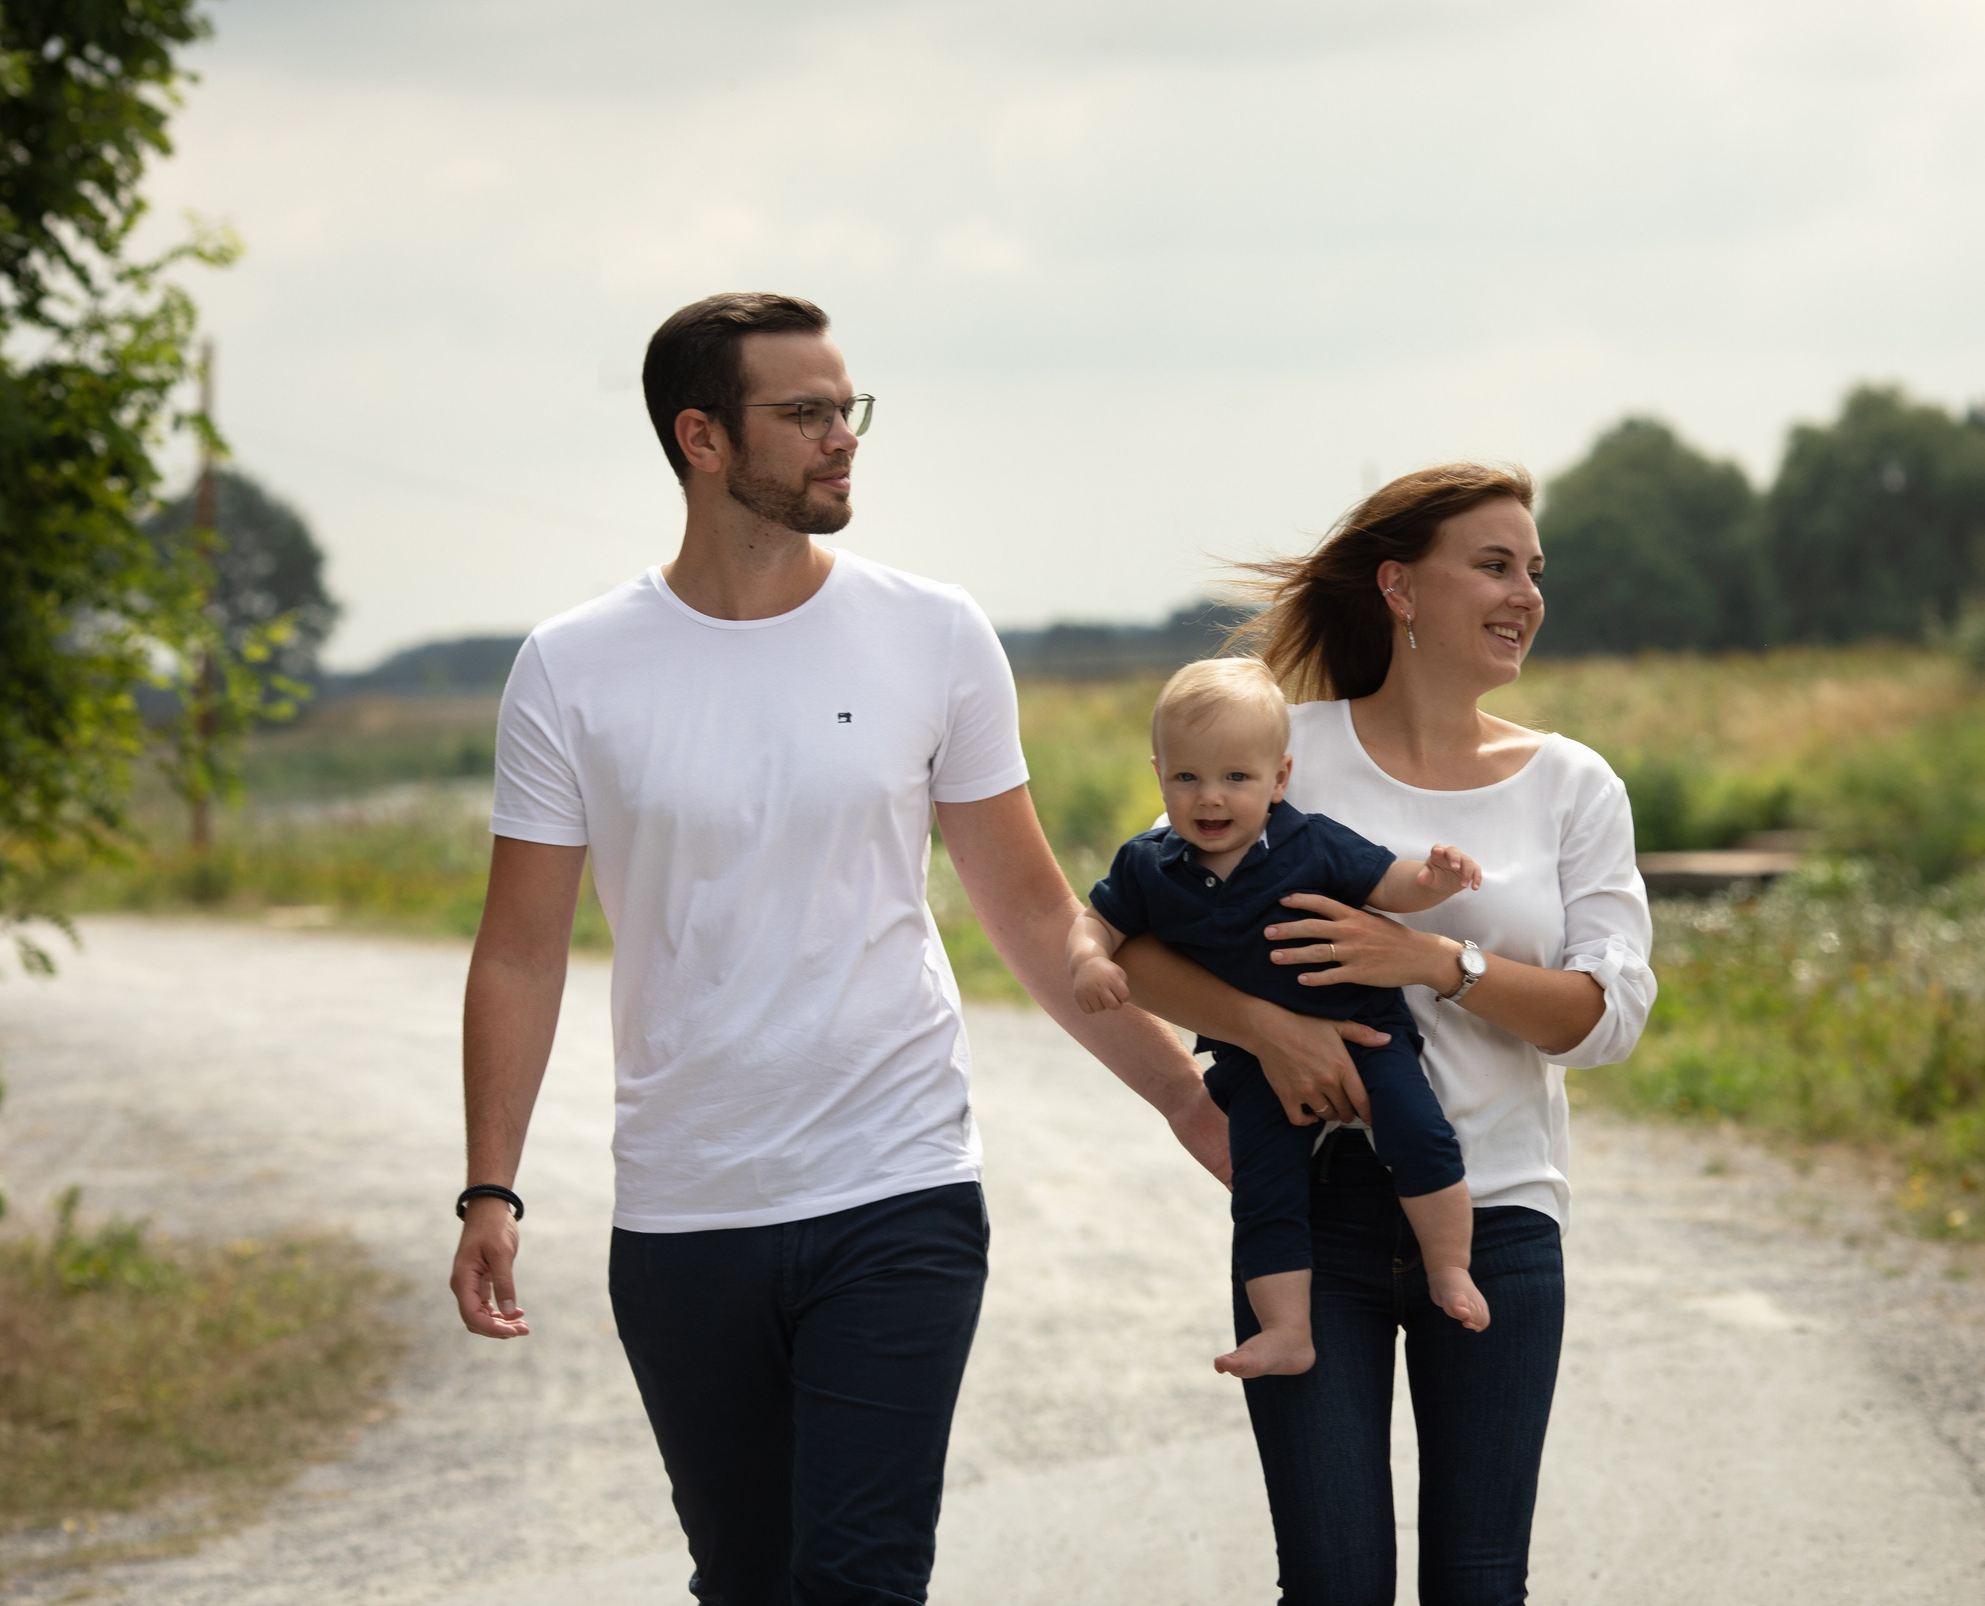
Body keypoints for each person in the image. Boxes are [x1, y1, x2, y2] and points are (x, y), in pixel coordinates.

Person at [445, 292, 1225, 1606]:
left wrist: (1188, 1094)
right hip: (687, 1205)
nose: (841, 438)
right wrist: (490, 1187)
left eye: (846, 408)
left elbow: (1034, 913)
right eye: (803, 413)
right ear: (701, 436)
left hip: (898, 1180)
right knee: (747, 1577)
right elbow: (520, 949)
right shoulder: (574, 668)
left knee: (860, 1577)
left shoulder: (933, 632)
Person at [1113, 463, 1655, 1606]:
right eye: (1494, 566)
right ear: (1400, 588)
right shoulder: (1271, 744)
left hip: (1497, 1216)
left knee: (1476, 1583)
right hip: (1311, 1224)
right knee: (1332, 1582)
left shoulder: (1571, 784)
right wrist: (1266, 1030)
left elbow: (1606, 1020)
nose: (1525, 595)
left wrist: (1437, 963)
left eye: (1534, 571)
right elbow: (1126, 938)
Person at [1066, 658, 1488, 1380]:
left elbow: (1388, 881)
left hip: (1363, 1025)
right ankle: (1287, 1328)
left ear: (1279, 779)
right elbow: (1095, 921)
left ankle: (1449, 1267)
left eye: (1237, 777)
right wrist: (1088, 961)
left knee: (1418, 1132)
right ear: (1159, 772)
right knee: (1264, 1185)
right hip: (1253, 1060)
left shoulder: (1310, 841)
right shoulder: (1149, 864)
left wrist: (1433, 878)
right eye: (1187, 777)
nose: (1210, 798)